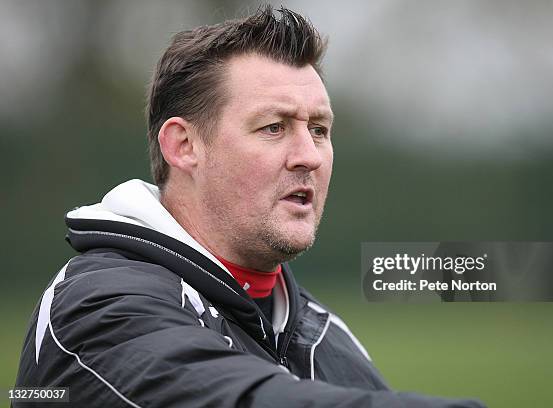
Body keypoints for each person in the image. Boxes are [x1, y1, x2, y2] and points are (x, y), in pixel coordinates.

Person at [14, 6, 485, 407]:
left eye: (319, 129)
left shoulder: (321, 332)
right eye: (274, 127)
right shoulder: (98, 306)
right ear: (184, 146)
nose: (309, 155)